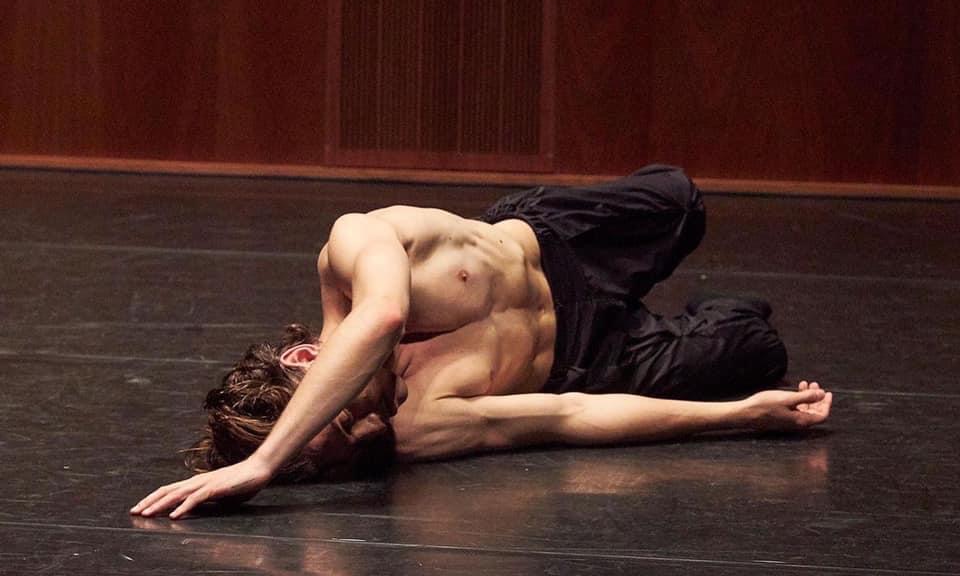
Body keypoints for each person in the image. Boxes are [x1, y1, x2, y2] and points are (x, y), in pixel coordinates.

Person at [131, 165, 832, 519]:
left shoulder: (351, 247)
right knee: (755, 347)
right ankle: (715, 318)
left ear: (307, 360)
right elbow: (568, 416)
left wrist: (263, 464)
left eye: (342, 416)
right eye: (355, 443)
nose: (372, 428)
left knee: (682, 199)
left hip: (559, 243)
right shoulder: (413, 428)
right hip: (589, 355)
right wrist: (742, 415)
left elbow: (382, 317)